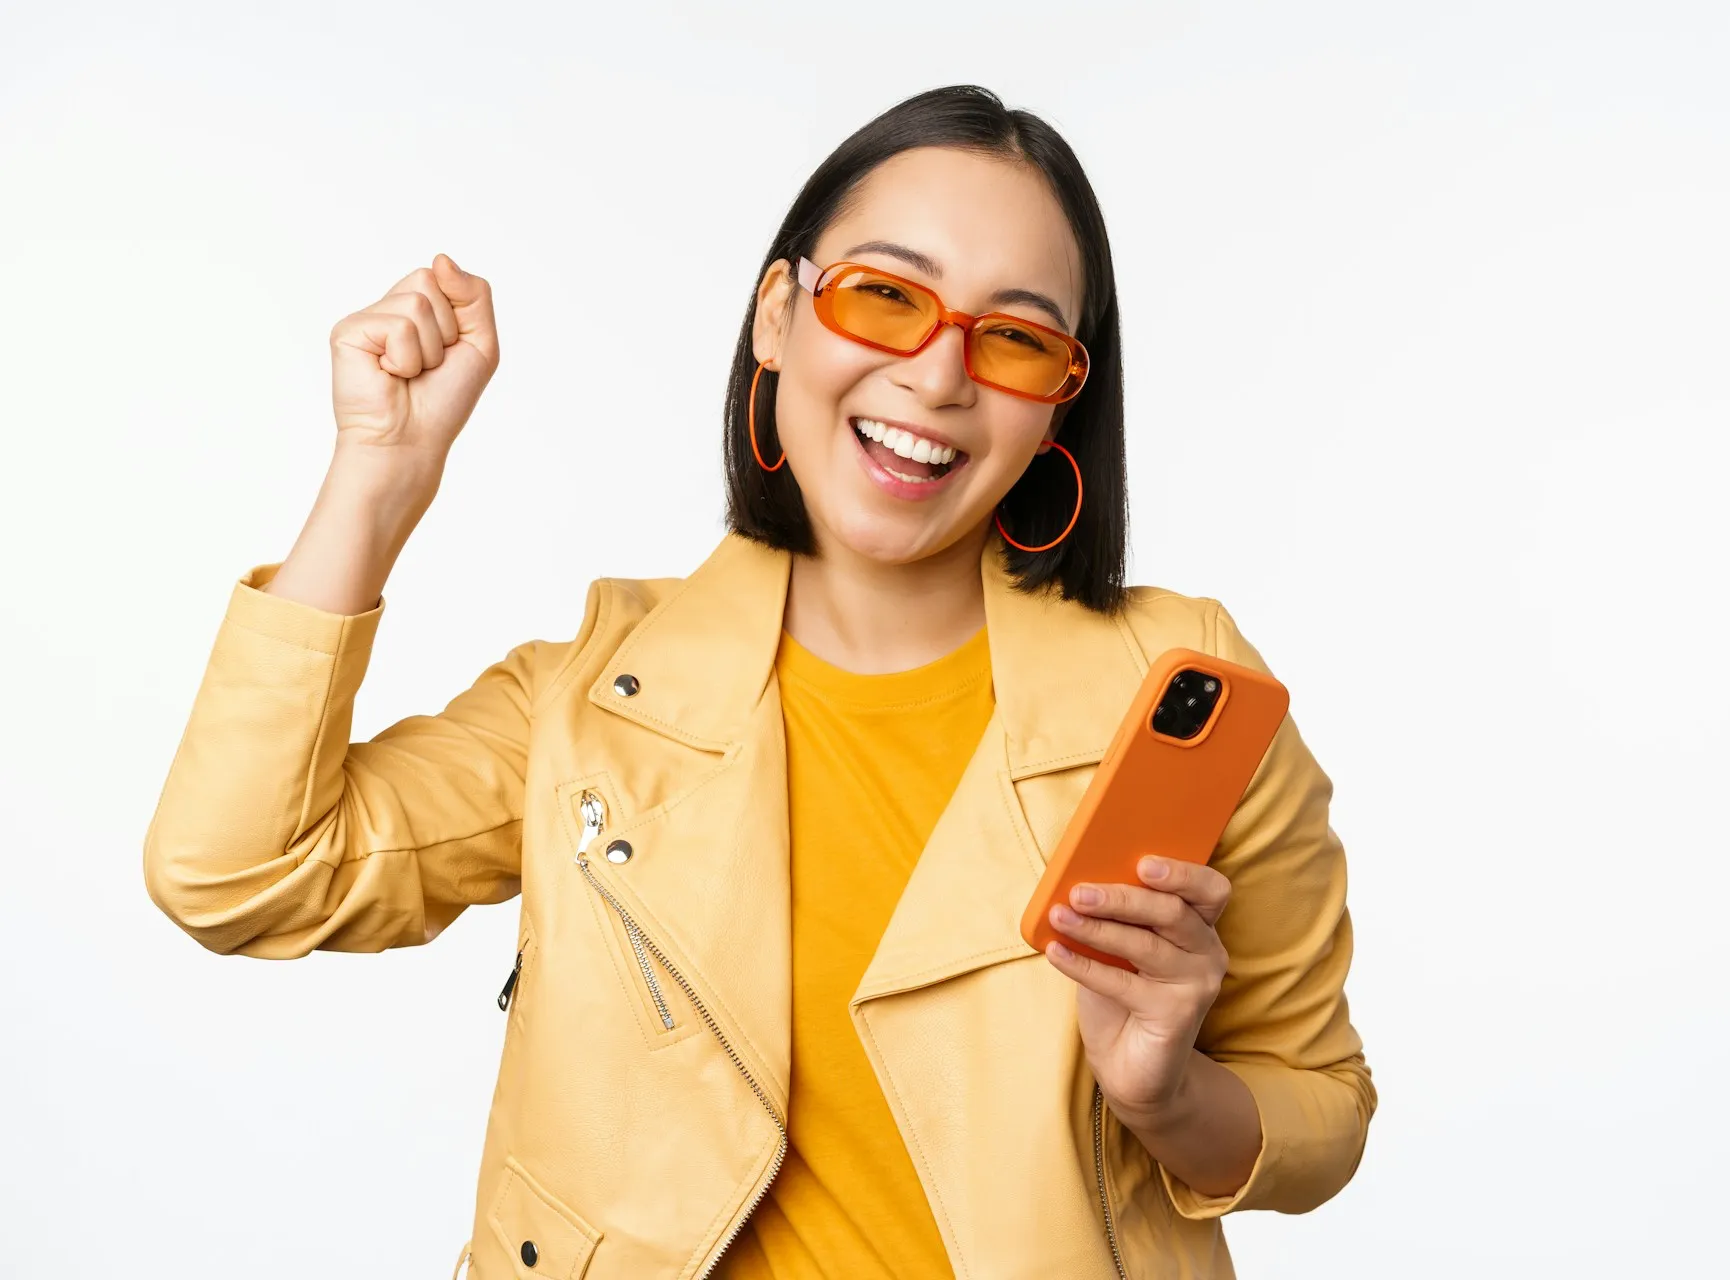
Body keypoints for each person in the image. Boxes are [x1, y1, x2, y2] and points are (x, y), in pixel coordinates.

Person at [144, 84, 1375, 1279]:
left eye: (1012, 336)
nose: (938, 377)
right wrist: (378, 475)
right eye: (886, 296)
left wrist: (1169, 1094)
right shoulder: (589, 700)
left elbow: (1321, 1103)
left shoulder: (1175, 695)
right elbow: (240, 873)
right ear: (777, 317)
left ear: (1063, 399)